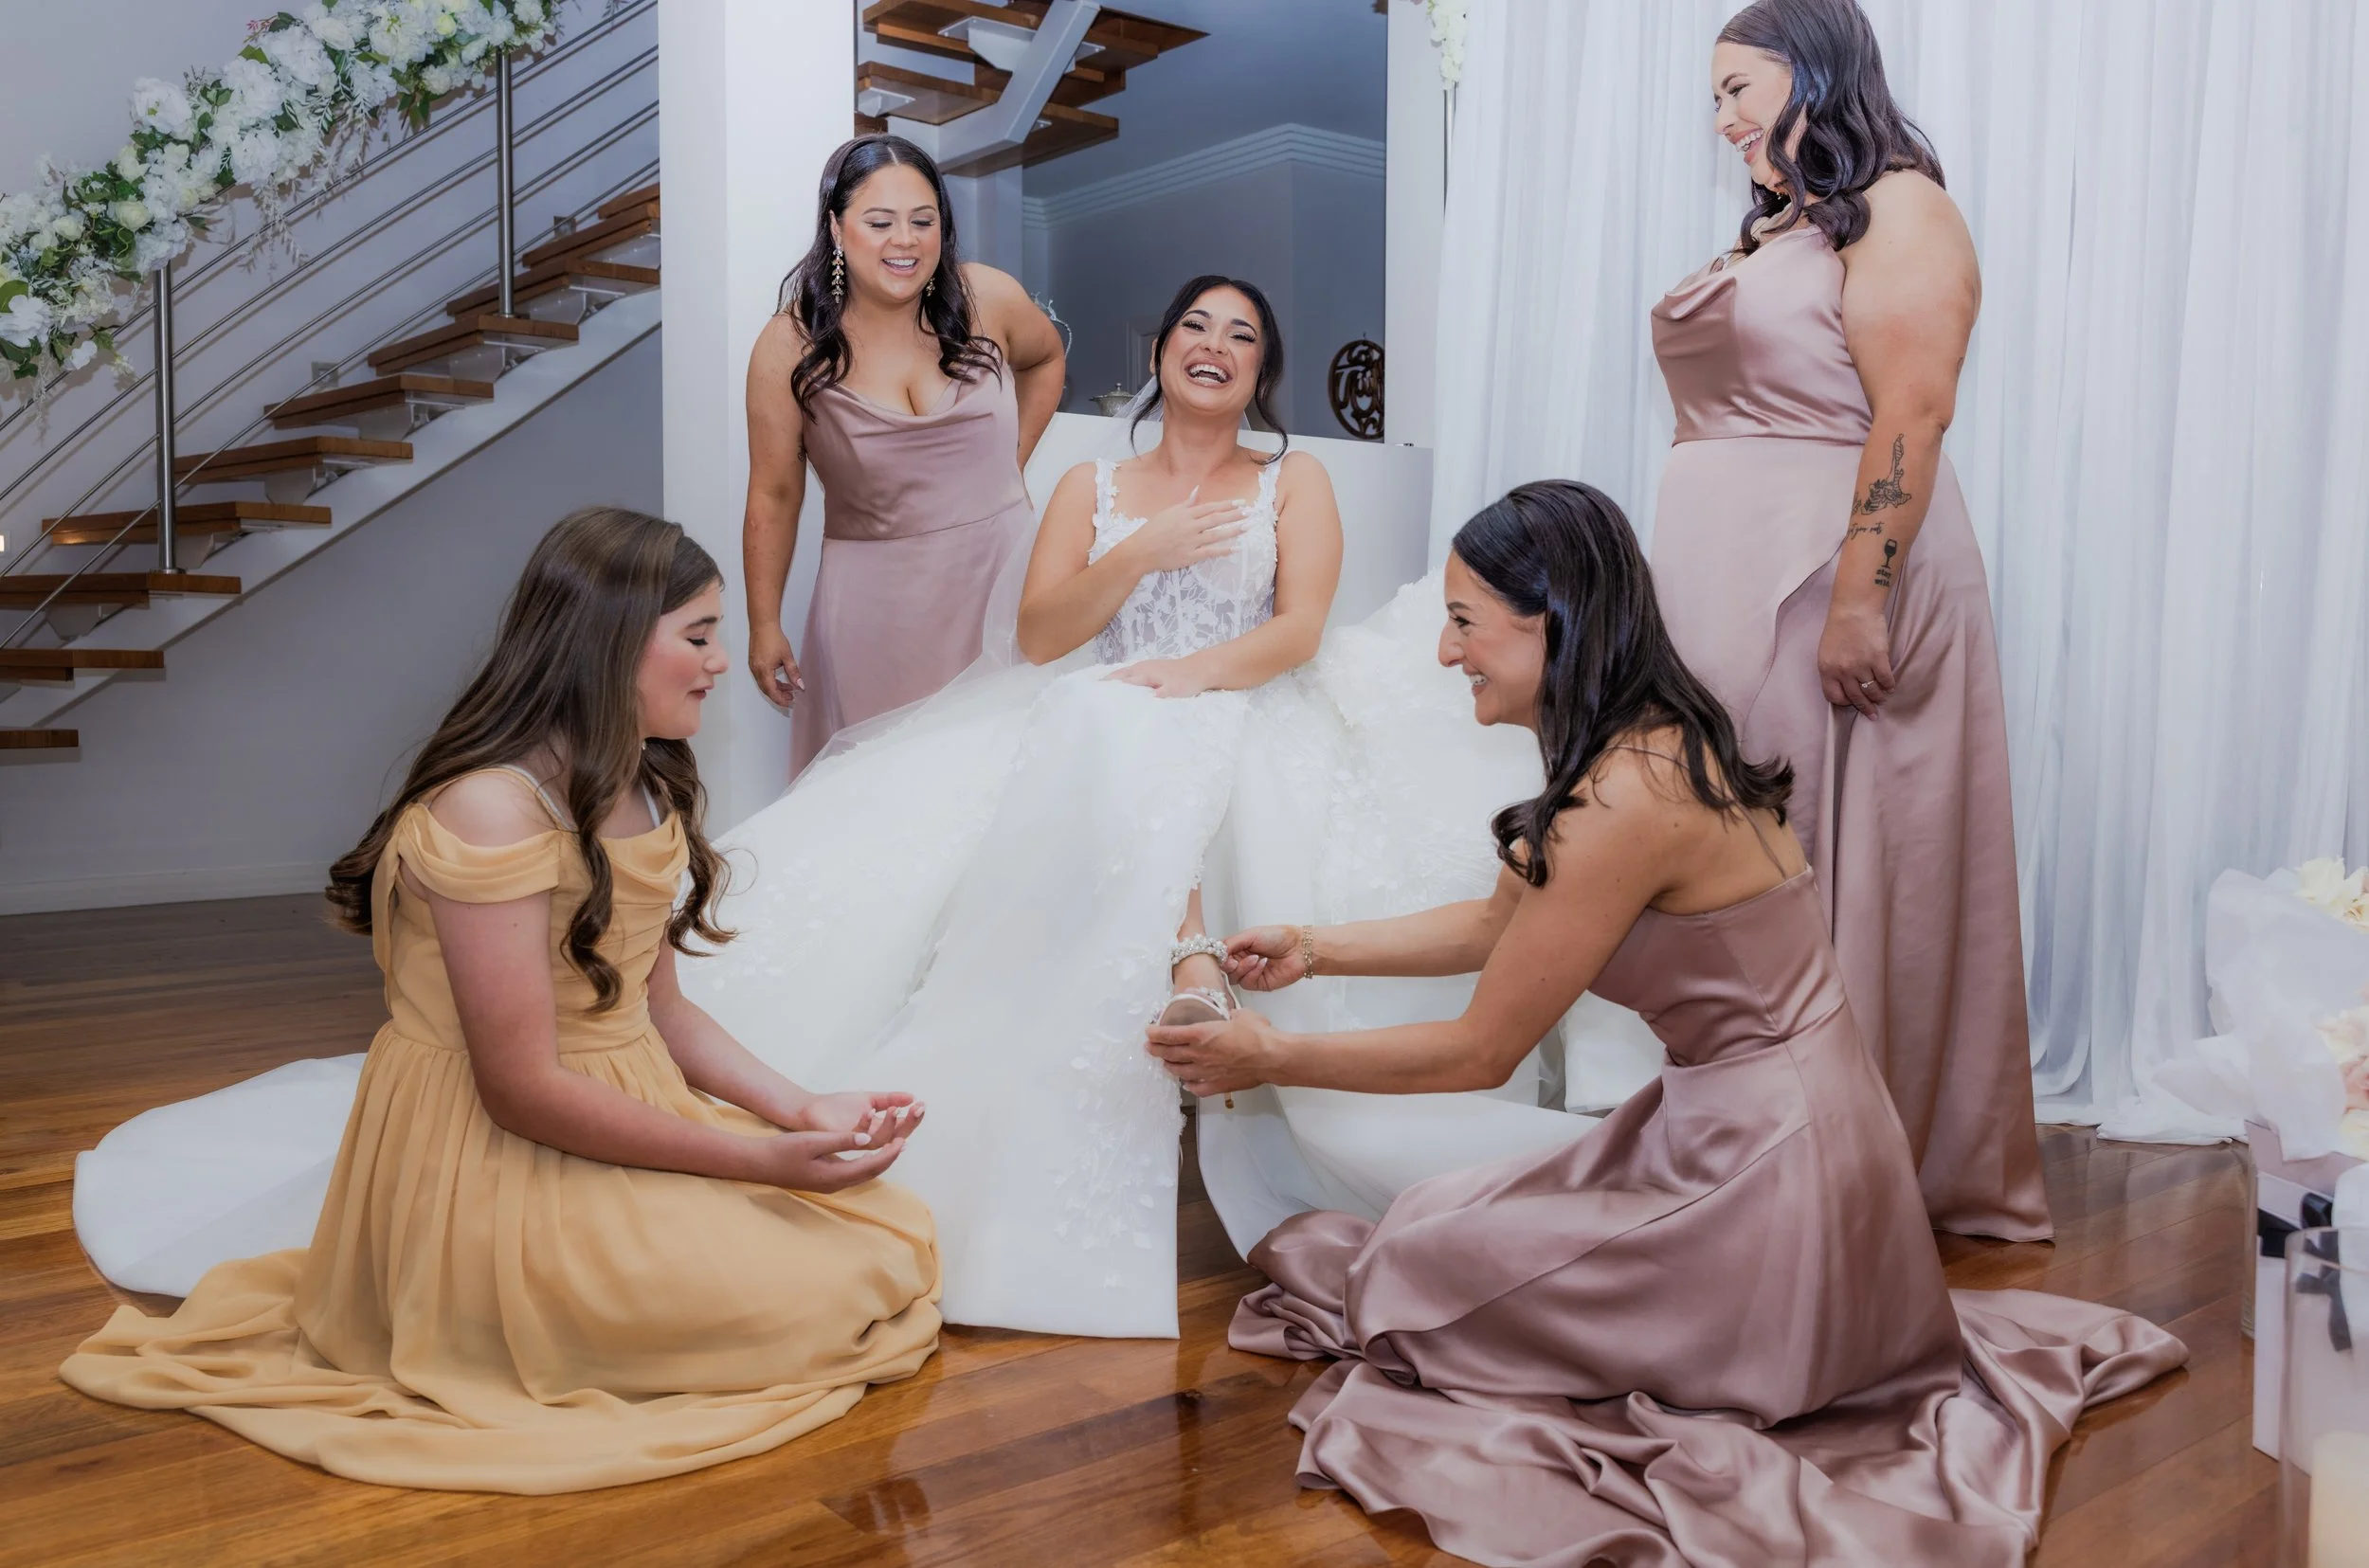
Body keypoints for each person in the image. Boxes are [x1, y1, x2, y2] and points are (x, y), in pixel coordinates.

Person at [1148, 480, 2186, 1567]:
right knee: (1431, 1224)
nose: (1447, 654)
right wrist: (1318, 944)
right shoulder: (1635, 741)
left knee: (1414, 1268)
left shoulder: (1625, 797)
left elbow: (1479, 1049)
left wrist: (1268, 1052)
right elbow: (1504, 919)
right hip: (1775, 1134)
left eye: (1462, 623)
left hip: (1765, 1178)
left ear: (1552, 615)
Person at [683, 277, 1643, 1338]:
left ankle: (1193, 959)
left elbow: (1298, 628)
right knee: (1088, 727)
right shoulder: (1088, 484)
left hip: (1242, 701)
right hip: (1104, 705)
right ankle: (1174, 964)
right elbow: (1044, 635)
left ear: (1259, 372)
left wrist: (1188, 675)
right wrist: (1138, 553)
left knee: (1129, 722)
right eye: (1196, 325)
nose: (1215, 346)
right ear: (1159, 352)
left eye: (1242, 336)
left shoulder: (1294, 478)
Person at [63, 509, 943, 1493]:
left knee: (884, 1240)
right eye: (698, 634)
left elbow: (662, 1012)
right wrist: (755, 1157)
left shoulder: (642, 782)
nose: (722, 662)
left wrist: (799, 1106)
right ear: (609, 638)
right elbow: (521, 1088)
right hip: (500, 1147)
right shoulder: (489, 807)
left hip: (621, 1108)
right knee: (809, 1299)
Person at [1649, 0, 2050, 1238]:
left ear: (1813, 72)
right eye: (1710, 98)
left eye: (1738, 88)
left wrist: (1863, 596)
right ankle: (1762, 1142)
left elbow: (1910, 416)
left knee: (1824, 862)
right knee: (1747, 859)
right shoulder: (1792, 231)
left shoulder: (1904, 207)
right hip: (1734, 577)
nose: (1721, 120)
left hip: (1832, 576)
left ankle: (1842, 1165)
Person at [745, 134, 1067, 775]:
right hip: (875, 610)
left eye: (924, 222)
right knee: (890, 791)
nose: (906, 241)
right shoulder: (789, 345)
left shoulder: (988, 297)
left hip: (1002, 580)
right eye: (880, 222)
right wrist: (763, 623)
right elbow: (775, 493)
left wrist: (1010, 463)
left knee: (1007, 780)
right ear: (837, 228)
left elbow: (1047, 357)